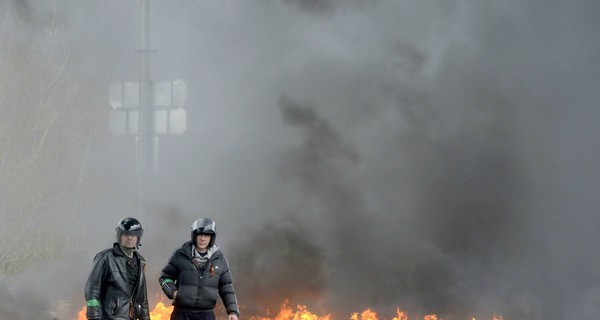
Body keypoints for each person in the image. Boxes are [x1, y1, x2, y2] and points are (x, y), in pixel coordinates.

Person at [159, 218, 239, 320]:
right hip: (181, 314)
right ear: (194, 235)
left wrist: (232, 311)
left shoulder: (219, 259)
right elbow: (164, 278)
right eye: (200, 234)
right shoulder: (181, 255)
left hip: (206, 315)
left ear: (212, 237)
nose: (203, 239)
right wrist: (173, 292)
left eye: (207, 235)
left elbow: (226, 288)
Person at [84, 217, 151, 320]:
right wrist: (93, 317)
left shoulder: (140, 261)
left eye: (133, 235)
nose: (129, 238)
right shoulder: (105, 258)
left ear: (138, 237)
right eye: (126, 234)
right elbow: (92, 291)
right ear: (119, 236)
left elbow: (143, 300)